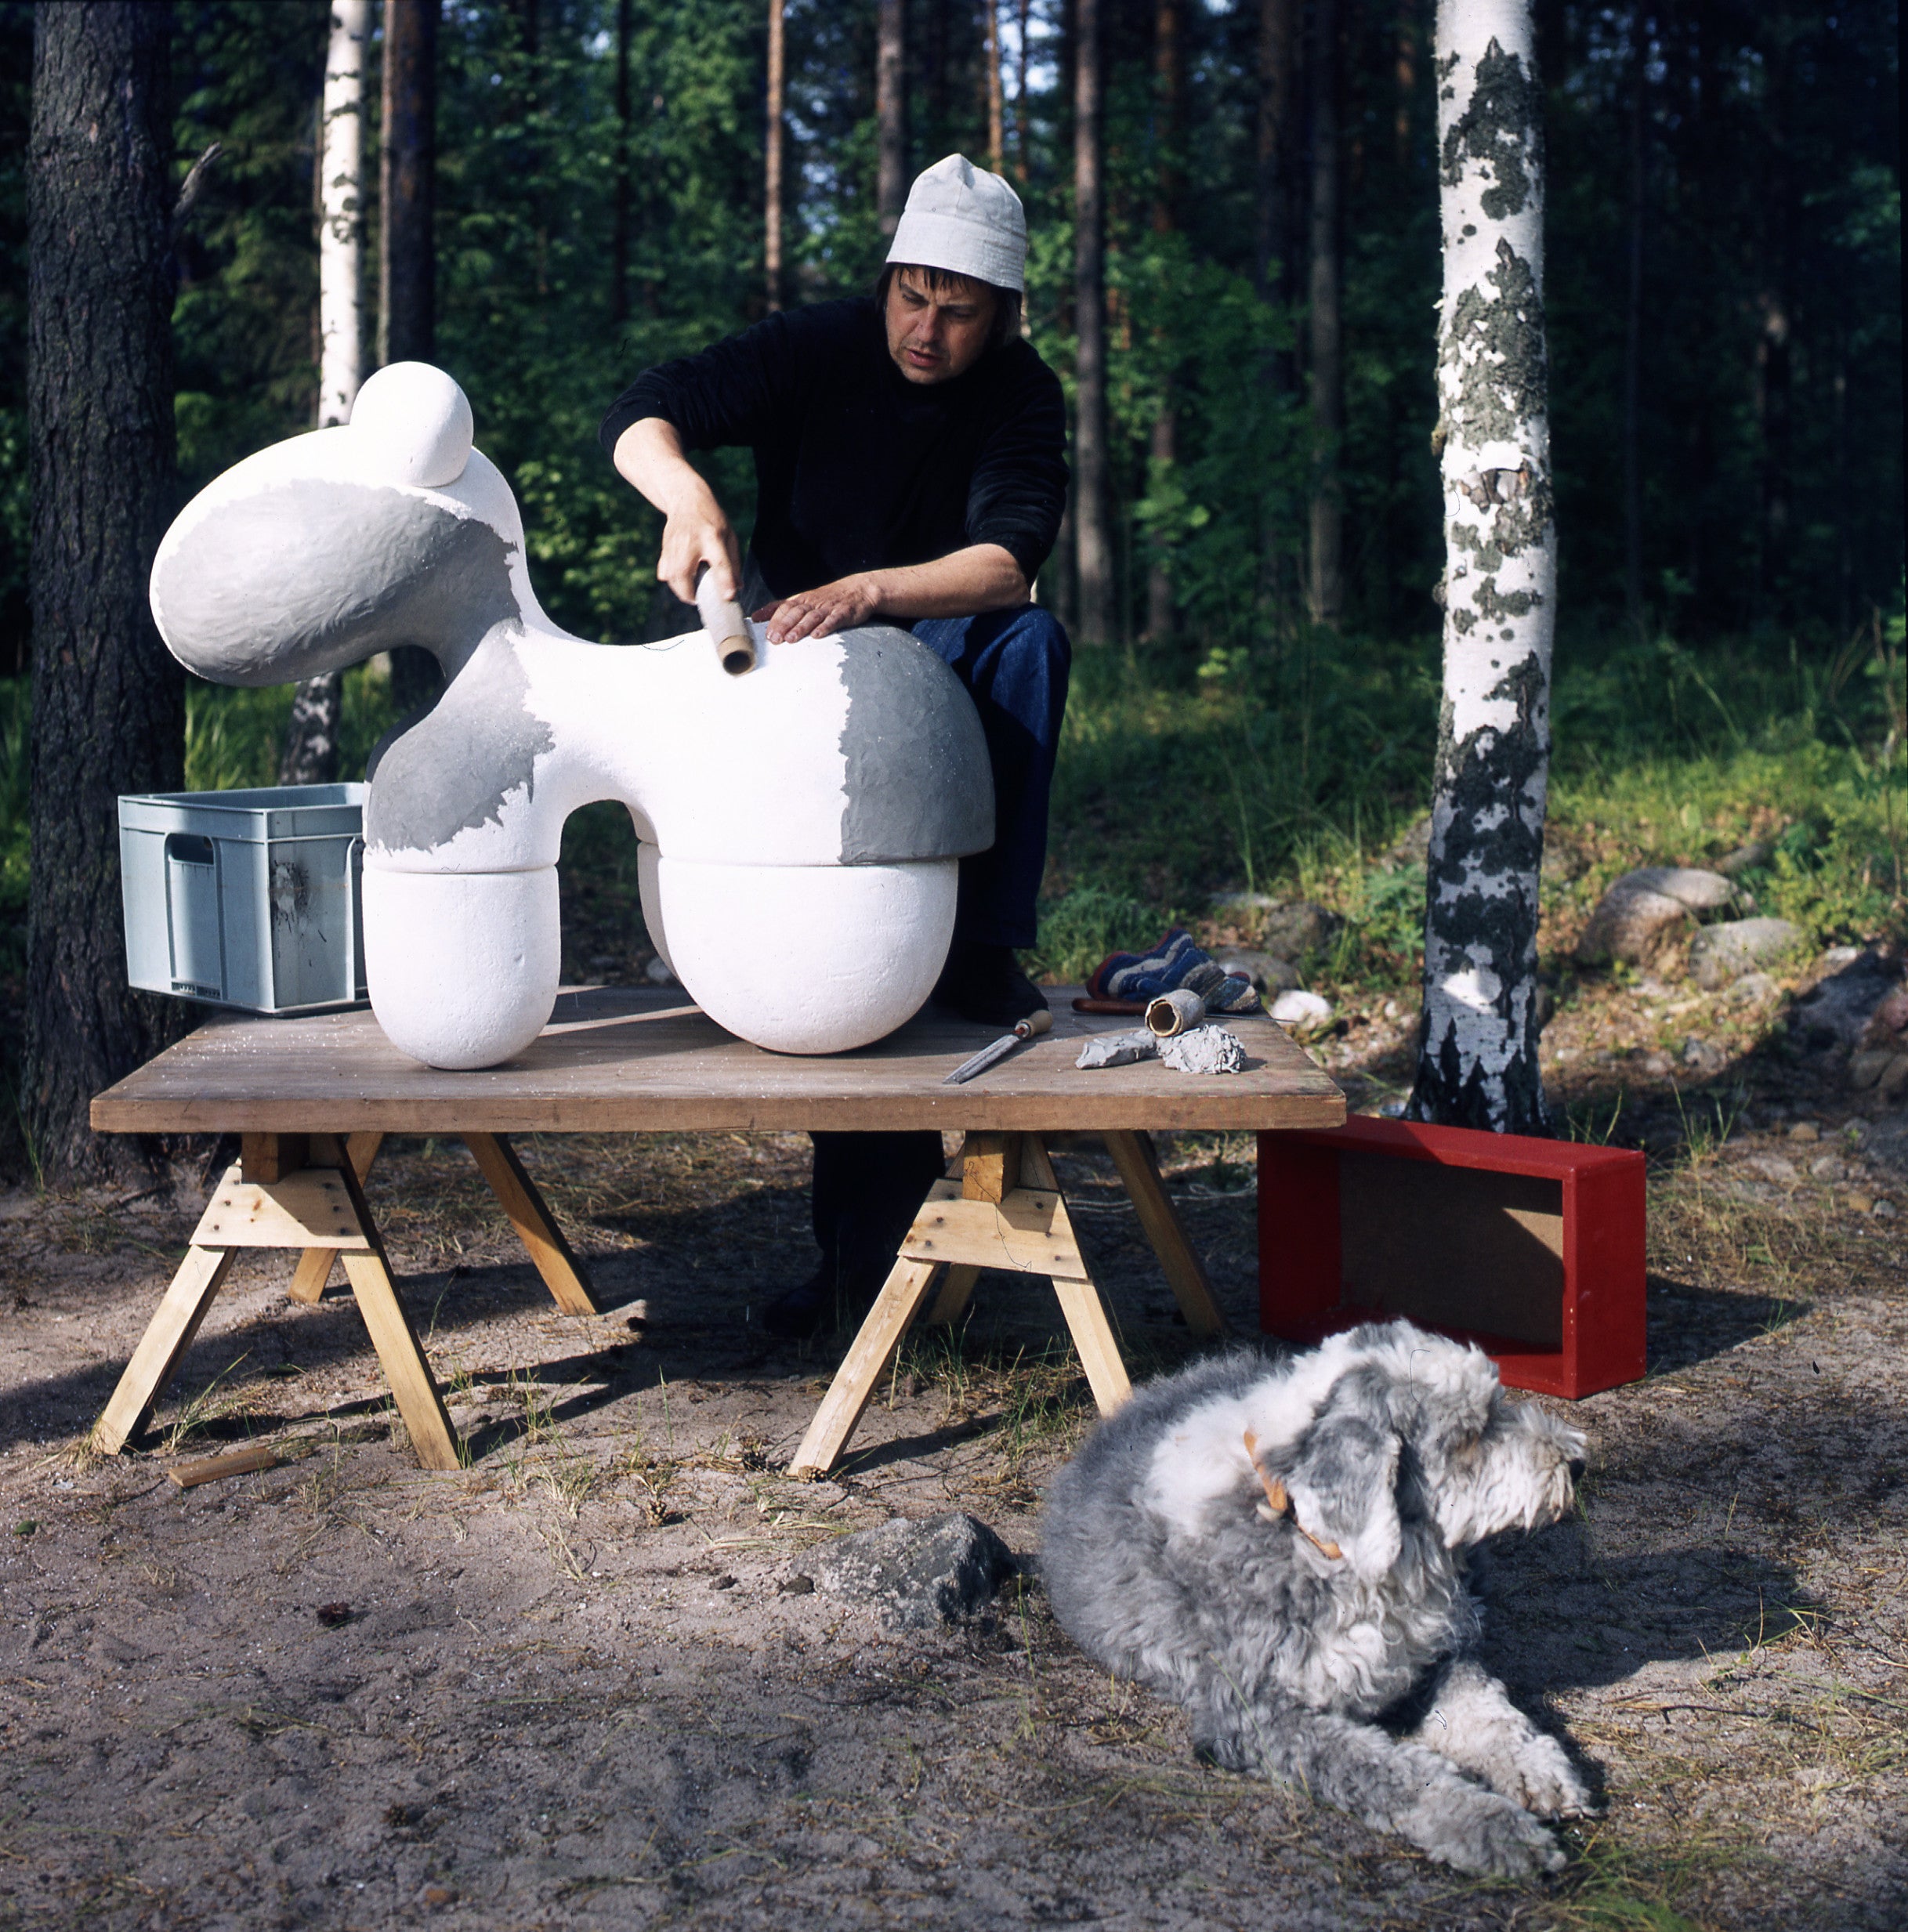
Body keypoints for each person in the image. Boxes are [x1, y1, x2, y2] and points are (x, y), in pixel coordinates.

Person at [600, 154, 1070, 1340]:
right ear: (888, 281)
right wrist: (685, 495)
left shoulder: (1023, 394)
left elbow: (1007, 563)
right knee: (855, 952)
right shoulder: (816, 346)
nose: (927, 330)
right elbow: (644, 409)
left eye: (959, 311)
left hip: (932, 638)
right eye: (912, 296)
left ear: (1004, 313)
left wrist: (868, 591)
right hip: (805, 674)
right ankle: (859, 1271)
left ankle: (983, 945)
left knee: (1033, 643)